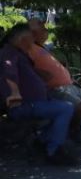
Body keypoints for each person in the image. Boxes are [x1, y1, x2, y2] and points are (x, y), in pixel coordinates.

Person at [1, 23, 76, 165]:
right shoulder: (8, 54)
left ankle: (42, 141)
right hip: (23, 105)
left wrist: (39, 75)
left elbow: (25, 73)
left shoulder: (19, 53)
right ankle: (53, 151)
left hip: (35, 102)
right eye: (30, 40)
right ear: (23, 40)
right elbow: (9, 73)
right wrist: (15, 92)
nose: (32, 44)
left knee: (64, 108)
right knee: (66, 108)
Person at [27, 18, 81, 143]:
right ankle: (73, 128)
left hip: (70, 86)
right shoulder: (28, 48)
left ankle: (71, 125)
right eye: (40, 24)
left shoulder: (43, 48)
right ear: (30, 31)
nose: (44, 25)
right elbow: (27, 69)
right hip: (56, 89)